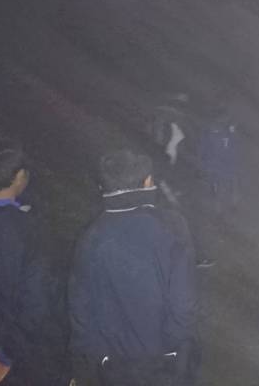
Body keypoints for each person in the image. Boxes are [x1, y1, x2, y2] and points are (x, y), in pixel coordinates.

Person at [69, 149, 199, 386]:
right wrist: (173, 347)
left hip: (115, 363)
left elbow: (81, 308)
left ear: (104, 187)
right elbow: (183, 301)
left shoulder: (90, 237)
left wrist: (95, 357)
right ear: (148, 182)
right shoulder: (172, 225)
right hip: (165, 360)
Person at [0, 137, 58, 385]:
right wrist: (5, 356)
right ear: (19, 176)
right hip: (5, 355)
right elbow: (36, 303)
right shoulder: (27, 231)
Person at [200, 104, 240, 212]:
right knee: (221, 187)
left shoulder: (224, 131)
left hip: (224, 164)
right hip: (219, 164)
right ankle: (221, 210)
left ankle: (230, 207)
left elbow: (233, 145)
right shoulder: (213, 132)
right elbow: (204, 149)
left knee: (230, 184)